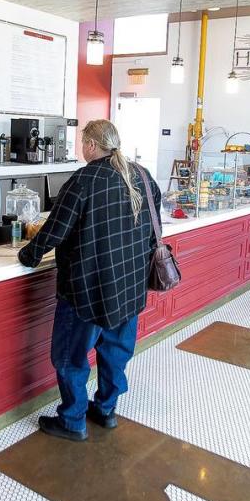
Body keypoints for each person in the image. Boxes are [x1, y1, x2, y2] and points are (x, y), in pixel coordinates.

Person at [18, 119, 161, 441]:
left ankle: (72, 420)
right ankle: (106, 409)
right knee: (115, 353)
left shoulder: (84, 180)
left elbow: (55, 229)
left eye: (83, 142)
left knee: (70, 357)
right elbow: (155, 227)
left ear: (91, 145)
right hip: (129, 286)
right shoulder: (141, 174)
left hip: (86, 289)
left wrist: (28, 255)